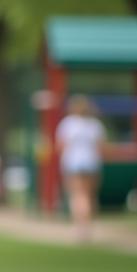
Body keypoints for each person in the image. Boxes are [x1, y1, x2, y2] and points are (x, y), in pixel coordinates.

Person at [56, 95, 106, 242]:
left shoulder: (67, 124)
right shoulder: (95, 125)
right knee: (89, 195)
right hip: (91, 163)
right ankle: (88, 226)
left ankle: (80, 227)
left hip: (73, 163)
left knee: (77, 195)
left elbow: (61, 146)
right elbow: (100, 147)